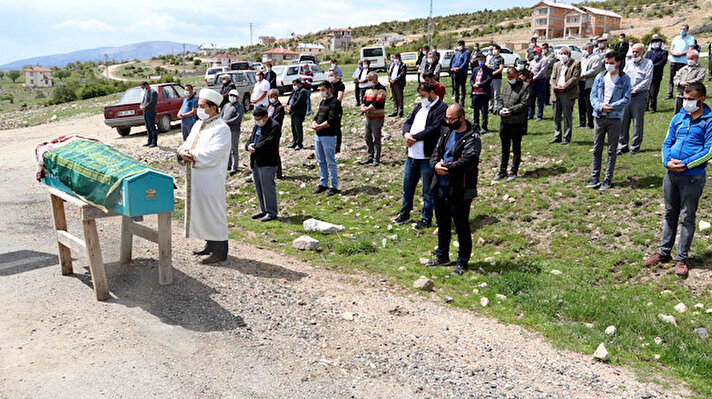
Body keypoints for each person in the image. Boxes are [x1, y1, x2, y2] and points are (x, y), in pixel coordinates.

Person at [645, 82, 712, 278]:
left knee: (687, 217)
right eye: (684, 99)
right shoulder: (678, 117)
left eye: (691, 99)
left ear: (701, 100)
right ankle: (664, 252)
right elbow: (667, 142)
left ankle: (681, 258)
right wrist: (667, 162)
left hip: (692, 177)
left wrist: (686, 164)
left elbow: (709, 151)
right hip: (671, 174)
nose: (686, 103)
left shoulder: (709, 120)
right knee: (669, 213)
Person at [177, 88, 231, 264]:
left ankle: (220, 251)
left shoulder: (222, 128)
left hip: (211, 178)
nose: (198, 109)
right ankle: (210, 244)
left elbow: (213, 153)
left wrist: (192, 156)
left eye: (201, 106)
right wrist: (181, 151)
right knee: (201, 211)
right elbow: (187, 143)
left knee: (213, 212)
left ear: (213, 108)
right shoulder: (198, 124)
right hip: (196, 177)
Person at [427, 103, 481, 276]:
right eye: (447, 119)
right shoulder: (446, 131)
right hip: (440, 186)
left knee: (461, 226)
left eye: (452, 119)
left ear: (462, 118)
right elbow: (436, 152)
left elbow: (468, 161)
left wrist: (446, 167)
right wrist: (435, 165)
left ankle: (462, 262)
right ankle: (442, 256)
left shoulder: (472, 137)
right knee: (442, 224)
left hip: (460, 188)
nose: (448, 121)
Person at [395, 82, 448, 229]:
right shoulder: (419, 107)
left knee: (428, 191)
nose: (421, 98)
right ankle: (405, 213)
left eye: (423, 95)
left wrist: (415, 138)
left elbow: (434, 129)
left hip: (427, 157)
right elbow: (408, 122)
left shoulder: (441, 108)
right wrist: (406, 134)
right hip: (412, 156)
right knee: (408, 187)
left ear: (432, 93)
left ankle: (426, 218)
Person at [587, 51, 631, 191]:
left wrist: (611, 107)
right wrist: (601, 107)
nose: (608, 65)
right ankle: (595, 177)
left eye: (611, 63)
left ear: (618, 62)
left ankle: (607, 179)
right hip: (600, 117)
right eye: (606, 63)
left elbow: (626, 98)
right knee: (597, 148)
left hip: (614, 118)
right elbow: (593, 96)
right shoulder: (600, 77)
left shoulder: (624, 79)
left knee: (612, 150)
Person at [246, 106, 281, 222]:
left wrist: (255, 147)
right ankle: (264, 209)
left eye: (259, 119)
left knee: (268, 187)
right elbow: (251, 139)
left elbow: (269, 142)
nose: (257, 121)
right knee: (259, 186)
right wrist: (248, 146)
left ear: (266, 117)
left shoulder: (274, 126)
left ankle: (271, 212)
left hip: (268, 161)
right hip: (256, 160)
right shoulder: (257, 126)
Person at [495, 67, 530, 183]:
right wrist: (500, 110)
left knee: (516, 148)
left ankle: (514, 171)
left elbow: (524, 103)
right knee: (504, 148)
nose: (510, 79)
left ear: (517, 75)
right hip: (504, 122)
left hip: (517, 122)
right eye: (508, 77)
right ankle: (502, 170)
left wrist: (510, 110)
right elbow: (500, 100)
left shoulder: (525, 87)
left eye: (512, 77)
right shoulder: (506, 86)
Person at [618, 43, 653, 155]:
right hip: (626, 95)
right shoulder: (628, 63)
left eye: (637, 51)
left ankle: (635, 146)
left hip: (639, 95)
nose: (634, 54)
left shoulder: (648, 63)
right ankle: (622, 146)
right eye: (633, 51)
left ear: (643, 52)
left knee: (637, 122)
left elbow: (647, 80)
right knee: (623, 120)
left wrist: (636, 89)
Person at [311, 82, 342, 196]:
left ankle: (334, 186)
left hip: (328, 136)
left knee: (330, 162)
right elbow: (317, 115)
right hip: (318, 135)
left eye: (323, 89)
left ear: (329, 89)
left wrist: (319, 126)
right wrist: (314, 123)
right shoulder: (323, 101)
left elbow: (331, 120)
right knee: (321, 161)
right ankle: (323, 183)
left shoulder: (335, 102)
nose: (321, 91)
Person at [549, 47, 581, 145]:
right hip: (556, 93)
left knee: (567, 116)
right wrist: (555, 86)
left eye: (565, 53)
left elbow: (575, 78)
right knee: (556, 115)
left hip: (568, 93)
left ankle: (567, 137)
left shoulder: (576, 64)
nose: (563, 55)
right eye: (561, 53)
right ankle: (557, 135)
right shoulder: (556, 64)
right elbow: (552, 78)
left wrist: (564, 87)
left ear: (569, 55)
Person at [360, 72, 387, 166]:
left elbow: (379, 101)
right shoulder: (368, 89)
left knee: (376, 137)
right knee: (367, 137)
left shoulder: (382, 88)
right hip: (368, 117)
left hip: (377, 116)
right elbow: (363, 99)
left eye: (371, 79)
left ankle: (377, 158)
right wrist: (363, 106)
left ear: (376, 78)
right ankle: (370, 156)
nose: (370, 81)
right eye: (368, 79)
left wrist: (367, 108)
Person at [667, 24, 696, 99]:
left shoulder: (690, 38)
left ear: (687, 30)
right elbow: (671, 48)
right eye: (681, 29)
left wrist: (681, 54)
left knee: (683, 78)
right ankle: (670, 93)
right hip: (673, 60)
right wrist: (673, 53)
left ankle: (683, 93)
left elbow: (690, 49)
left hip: (683, 61)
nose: (682, 31)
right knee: (672, 78)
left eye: (684, 29)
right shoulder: (676, 38)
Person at [578, 42, 603, 129]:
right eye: (583, 49)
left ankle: (590, 123)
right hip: (580, 82)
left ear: (591, 49)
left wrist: (584, 75)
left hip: (589, 83)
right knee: (581, 103)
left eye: (586, 49)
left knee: (588, 103)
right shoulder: (583, 58)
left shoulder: (596, 58)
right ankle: (582, 121)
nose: (584, 51)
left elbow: (595, 70)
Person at [221, 89, 245, 176]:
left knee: (234, 149)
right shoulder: (226, 105)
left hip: (234, 130)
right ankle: (228, 164)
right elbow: (221, 115)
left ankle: (234, 167)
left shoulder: (239, 106)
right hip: (225, 130)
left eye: (234, 96)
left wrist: (228, 121)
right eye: (230, 95)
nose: (231, 97)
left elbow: (238, 118)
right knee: (226, 148)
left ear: (237, 97)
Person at [470, 52, 493, 134]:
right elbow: (472, 79)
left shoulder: (488, 70)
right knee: (476, 111)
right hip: (475, 93)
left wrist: (479, 85)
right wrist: (473, 85)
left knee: (484, 111)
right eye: (479, 59)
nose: (480, 61)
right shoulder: (475, 69)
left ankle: (484, 126)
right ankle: (476, 126)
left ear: (485, 60)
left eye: (482, 59)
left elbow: (488, 80)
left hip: (483, 93)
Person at [646, 37, 668, 113]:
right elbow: (645, 60)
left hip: (656, 74)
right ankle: (646, 106)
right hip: (647, 74)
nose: (655, 43)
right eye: (654, 42)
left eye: (657, 42)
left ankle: (653, 107)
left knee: (653, 92)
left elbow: (662, 62)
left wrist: (652, 66)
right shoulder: (649, 52)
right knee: (647, 91)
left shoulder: (663, 52)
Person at [267, 89, 285, 178]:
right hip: (267, 132)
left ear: (276, 96)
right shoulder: (270, 106)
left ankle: (278, 173)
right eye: (269, 96)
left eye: (271, 96)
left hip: (275, 132)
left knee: (275, 152)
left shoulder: (280, 108)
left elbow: (275, 120)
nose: (270, 98)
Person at [528, 46, 549, 121]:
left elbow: (542, 71)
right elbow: (529, 70)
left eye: (535, 52)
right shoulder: (532, 61)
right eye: (533, 53)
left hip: (540, 81)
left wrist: (534, 78)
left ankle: (539, 115)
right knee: (531, 99)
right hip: (532, 82)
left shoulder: (544, 60)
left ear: (539, 53)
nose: (534, 54)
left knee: (540, 99)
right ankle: (530, 114)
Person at [286, 79, 308, 150]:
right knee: (293, 127)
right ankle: (295, 141)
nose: (293, 86)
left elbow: (299, 101)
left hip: (299, 112)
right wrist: (287, 105)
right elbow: (290, 99)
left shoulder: (303, 91)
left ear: (299, 84)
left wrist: (292, 107)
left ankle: (299, 143)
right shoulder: (294, 91)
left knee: (298, 128)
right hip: (293, 112)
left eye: (295, 84)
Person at [450, 40, 471, 105]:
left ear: (463, 45)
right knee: (456, 87)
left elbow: (465, 62)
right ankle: (456, 101)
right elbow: (454, 61)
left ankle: (462, 102)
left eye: (460, 45)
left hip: (462, 72)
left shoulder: (467, 52)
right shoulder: (457, 53)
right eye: (458, 45)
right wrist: (453, 67)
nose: (459, 47)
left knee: (462, 86)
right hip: (455, 72)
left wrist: (459, 68)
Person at [139, 81, 159, 147]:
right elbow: (144, 100)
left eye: (143, 86)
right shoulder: (146, 92)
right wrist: (141, 105)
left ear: (146, 85)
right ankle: (149, 141)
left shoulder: (153, 92)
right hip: (145, 111)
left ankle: (154, 142)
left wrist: (145, 106)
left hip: (151, 111)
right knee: (147, 126)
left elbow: (152, 102)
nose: (142, 88)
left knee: (152, 126)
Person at [487, 44, 505, 114]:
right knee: (490, 94)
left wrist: (494, 72)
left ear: (498, 50)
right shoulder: (492, 58)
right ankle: (490, 108)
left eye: (495, 49)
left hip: (497, 79)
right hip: (490, 78)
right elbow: (488, 66)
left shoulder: (501, 59)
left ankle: (496, 108)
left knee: (496, 94)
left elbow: (501, 69)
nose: (493, 51)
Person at [388, 53, 407, 118]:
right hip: (392, 83)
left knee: (399, 98)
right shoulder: (393, 65)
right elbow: (390, 73)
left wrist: (395, 80)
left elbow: (402, 74)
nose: (394, 59)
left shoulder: (402, 65)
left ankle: (400, 112)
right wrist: (390, 79)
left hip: (398, 83)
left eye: (395, 58)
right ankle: (395, 111)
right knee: (394, 97)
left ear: (398, 58)